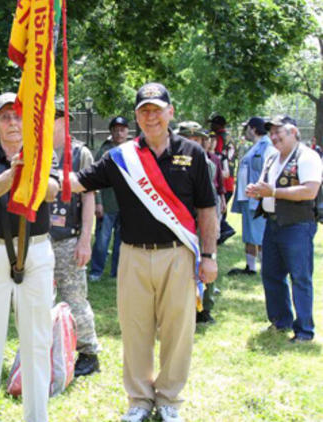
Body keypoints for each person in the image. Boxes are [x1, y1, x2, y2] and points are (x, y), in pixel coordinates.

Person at [68, 83, 217, 422]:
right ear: (137, 116)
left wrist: (208, 257)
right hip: (133, 254)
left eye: (157, 109)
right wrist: (39, 179)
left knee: (178, 330)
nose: (151, 116)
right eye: (144, 110)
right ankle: (139, 399)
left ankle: (168, 399)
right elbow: (79, 182)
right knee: (135, 329)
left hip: (178, 255)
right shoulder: (121, 157)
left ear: (170, 112)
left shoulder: (193, 153)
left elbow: (208, 209)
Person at [0, 93, 59, 422]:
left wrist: (30, 166)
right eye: (5, 117)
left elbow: (51, 191)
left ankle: (37, 416)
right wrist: (13, 173)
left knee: (37, 338)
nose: (13, 123)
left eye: (18, 116)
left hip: (35, 248)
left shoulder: (43, 154)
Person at [247, 115, 322, 343]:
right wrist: (257, 190)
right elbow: (267, 187)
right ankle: (280, 322)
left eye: (279, 131)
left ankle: (304, 331)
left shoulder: (307, 156)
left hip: (297, 225)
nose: (274, 136)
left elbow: (309, 191)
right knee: (271, 274)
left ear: (293, 132)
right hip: (272, 223)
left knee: (300, 277)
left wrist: (273, 192)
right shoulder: (272, 157)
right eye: (271, 132)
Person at [49, 100, 101, 377]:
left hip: (69, 237)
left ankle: (88, 352)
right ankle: (51, 349)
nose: (51, 122)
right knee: (41, 299)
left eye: (56, 117)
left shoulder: (80, 153)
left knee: (75, 298)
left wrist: (85, 239)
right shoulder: (37, 149)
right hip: (40, 237)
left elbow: (89, 196)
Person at [176, 122, 222, 325]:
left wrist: (215, 223)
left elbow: (211, 199)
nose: (193, 143)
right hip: (178, 222)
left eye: (197, 140)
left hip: (200, 220)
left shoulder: (208, 164)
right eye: (188, 139)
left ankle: (205, 308)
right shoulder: (171, 162)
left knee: (205, 260)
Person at [228, 117, 276, 275]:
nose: (245, 131)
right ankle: (251, 267)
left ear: (254, 129)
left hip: (257, 200)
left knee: (260, 235)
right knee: (249, 235)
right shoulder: (254, 147)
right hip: (248, 199)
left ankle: (266, 268)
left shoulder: (267, 147)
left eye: (247, 128)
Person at [89, 116, 128, 281]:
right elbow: (95, 177)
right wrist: (98, 203)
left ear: (127, 131)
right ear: (111, 131)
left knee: (122, 242)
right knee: (102, 241)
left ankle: (116, 272)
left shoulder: (132, 150)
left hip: (126, 206)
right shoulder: (104, 152)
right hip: (107, 203)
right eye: (116, 129)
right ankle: (96, 271)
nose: (119, 133)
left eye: (122, 129)